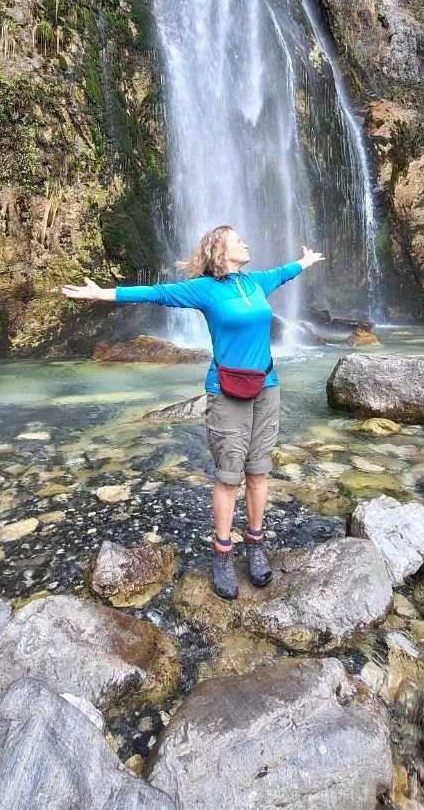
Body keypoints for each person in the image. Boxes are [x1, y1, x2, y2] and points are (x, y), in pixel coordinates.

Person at [61, 226, 324, 600]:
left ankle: (255, 544)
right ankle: (222, 553)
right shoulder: (204, 289)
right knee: (228, 477)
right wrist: (103, 293)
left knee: (258, 472)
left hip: (267, 386)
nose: (246, 242)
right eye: (238, 239)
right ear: (220, 250)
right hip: (227, 390)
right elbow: (157, 293)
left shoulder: (256, 282)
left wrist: (304, 261)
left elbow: (284, 272)